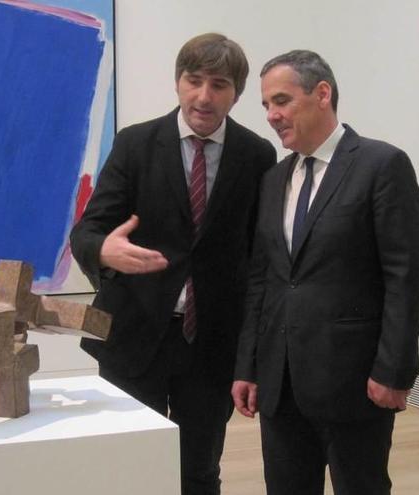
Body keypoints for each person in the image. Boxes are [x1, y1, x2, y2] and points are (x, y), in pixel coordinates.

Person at [70, 33, 275, 495]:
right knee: (131, 470)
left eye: (219, 84)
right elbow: (86, 231)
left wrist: (253, 351)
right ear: (178, 82)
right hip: (133, 336)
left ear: (237, 93)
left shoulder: (257, 155)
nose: (204, 96)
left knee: (198, 471)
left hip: (212, 346)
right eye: (194, 80)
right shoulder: (136, 144)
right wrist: (104, 251)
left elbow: (259, 258)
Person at [231, 50, 419, 495]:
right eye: (265, 105)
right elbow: (263, 278)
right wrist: (249, 364)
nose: (272, 115)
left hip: (354, 383)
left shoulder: (382, 166)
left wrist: (394, 370)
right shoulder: (274, 179)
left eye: (281, 100)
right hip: (281, 385)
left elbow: (405, 276)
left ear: (322, 94)